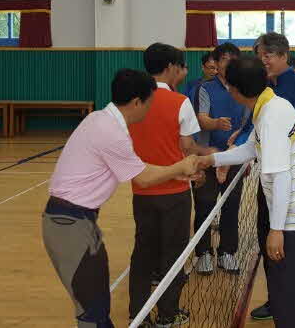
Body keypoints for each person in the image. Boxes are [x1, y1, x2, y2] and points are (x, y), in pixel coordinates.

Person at [42, 69, 201, 328]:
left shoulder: (100, 120)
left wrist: (175, 172)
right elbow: (143, 178)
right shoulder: (110, 132)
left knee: (96, 308)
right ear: (137, 102)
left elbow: (139, 168)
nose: (150, 109)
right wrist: (180, 167)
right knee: (93, 313)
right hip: (69, 225)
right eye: (149, 102)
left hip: (76, 222)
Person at [198, 56, 295, 328]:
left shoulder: (270, 117)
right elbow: (251, 148)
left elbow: (281, 175)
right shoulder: (272, 103)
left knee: (289, 298)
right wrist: (211, 160)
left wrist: (276, 230)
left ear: (236, 90)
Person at [249, 33, 295, 322]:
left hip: (293, 186)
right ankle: (277, 299)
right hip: (271, 181)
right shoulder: (269, 87)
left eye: (267, 56)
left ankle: (291, 306)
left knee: (288, 252)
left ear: (283, 56)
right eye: (260, 56)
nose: (263, 61)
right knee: (268, 244)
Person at [128, 43, 203, 328]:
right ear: (171, 67)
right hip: (175, 192)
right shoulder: (180, 102)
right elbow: (188, 146)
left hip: (142, 190)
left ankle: (138, 315)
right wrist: (203, 163)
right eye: (180, 67)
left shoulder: (133, 101)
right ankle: (168, 315)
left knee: (143, 253)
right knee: (173, 256)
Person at [193, 42, 249, 275]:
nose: (229, 63)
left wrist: (241, 151)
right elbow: (201, 118)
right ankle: (203, 253)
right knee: (204, 204)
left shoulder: (243, 88)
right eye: (224, 58)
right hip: (208, 156)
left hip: (234, 156)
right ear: (216, 63)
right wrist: (215, 123)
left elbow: (248, 122)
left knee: (231, 205)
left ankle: (227, 252)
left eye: (233, 59)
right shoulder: (205, 88)